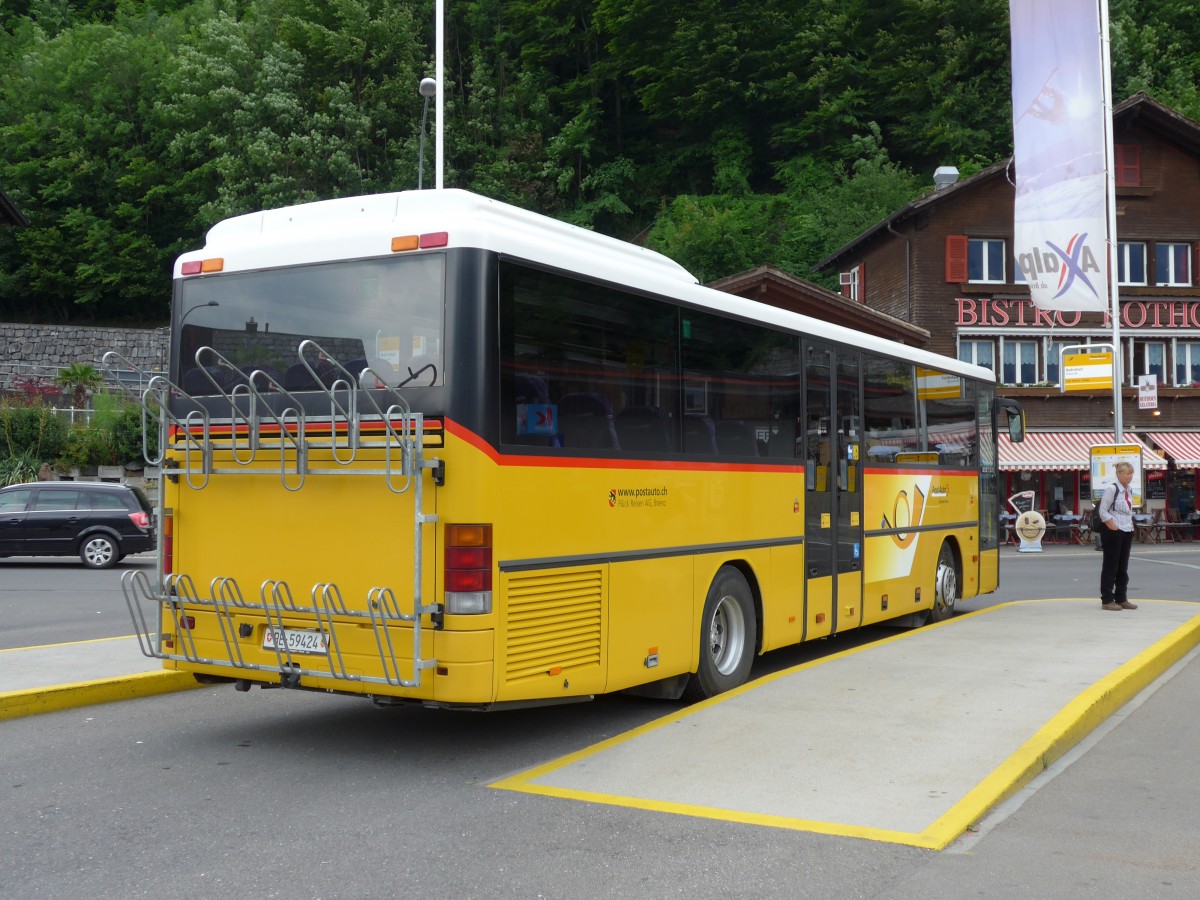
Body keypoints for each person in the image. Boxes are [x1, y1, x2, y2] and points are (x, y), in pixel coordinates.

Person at [1098, 461, 1137, 611]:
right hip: (1113, 530)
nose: (1130, 476)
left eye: (1131, 473)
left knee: (1123, 566)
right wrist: (1113, 526)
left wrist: (1130, 525)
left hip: (1127, 529)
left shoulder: (1129, 490)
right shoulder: (1111, 489)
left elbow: (1127, 510)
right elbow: (1103, 511)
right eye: (1127, 473)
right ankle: (1107, 599)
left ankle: (1121, 597)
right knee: (1111, 565)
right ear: (1118, 474)